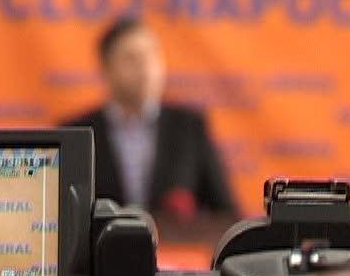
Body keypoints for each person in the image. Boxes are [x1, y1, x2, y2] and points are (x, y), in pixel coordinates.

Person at [62, 17, 237, 219]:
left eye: (151, 55)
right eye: (131, 59)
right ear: (106, 69)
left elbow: (225, 213)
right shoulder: (77, 133)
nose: (146, 68)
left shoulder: (188, 127)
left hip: (171, 239)